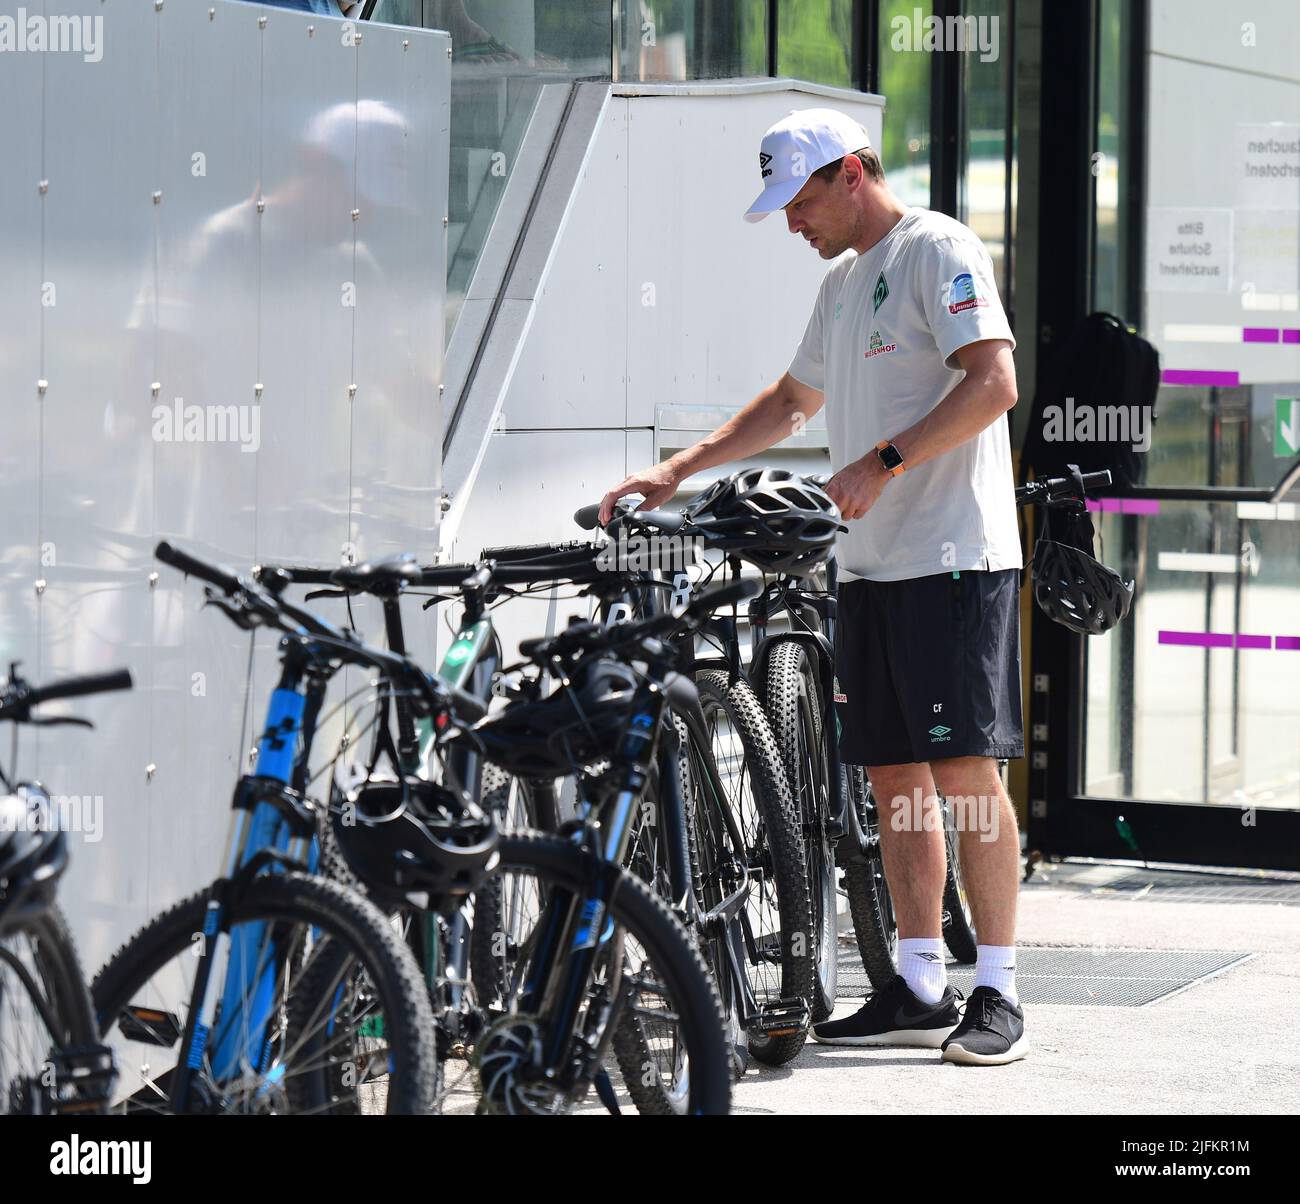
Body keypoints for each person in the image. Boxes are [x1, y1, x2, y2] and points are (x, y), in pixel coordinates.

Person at [598, 108, 1028, 1066]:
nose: (792, 223)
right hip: (872, 566)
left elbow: (994, 382)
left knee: (964, 775)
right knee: (892, 780)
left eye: (797, 201)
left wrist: (883, 460)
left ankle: (997, 988)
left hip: (955, 558)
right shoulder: (843, 285)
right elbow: (792, 400)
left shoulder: (935, 248)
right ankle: (920, 981)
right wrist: (679, 471)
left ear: (848, 174)